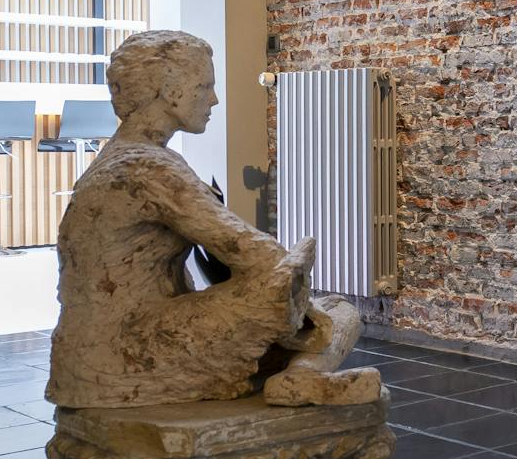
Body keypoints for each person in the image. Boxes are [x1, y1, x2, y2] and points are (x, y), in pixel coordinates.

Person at [45, 29, 369, 407]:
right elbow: (257, 255)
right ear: (171, 91)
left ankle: (300, 377)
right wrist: (294, 285)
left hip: (96, 346)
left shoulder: (121, 156)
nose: (213, 99)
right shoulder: (147, 167)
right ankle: (302, 375)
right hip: (125, 351)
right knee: (327, 311)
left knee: (334, 311)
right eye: (205, 86)